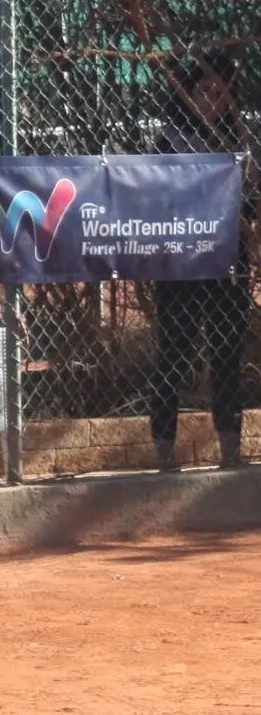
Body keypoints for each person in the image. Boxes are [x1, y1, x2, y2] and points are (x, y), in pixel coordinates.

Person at [149, 50, 255, 472]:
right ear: (187, 93)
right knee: (175, 351)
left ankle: (230, 448)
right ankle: (164, 450)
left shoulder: (242, 142)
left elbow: (252, 202)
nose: (213, 100)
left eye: (221, 92)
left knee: (227, 351)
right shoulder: (170, 142)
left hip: (230, 262)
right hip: (180, 263)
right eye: (203, 90)